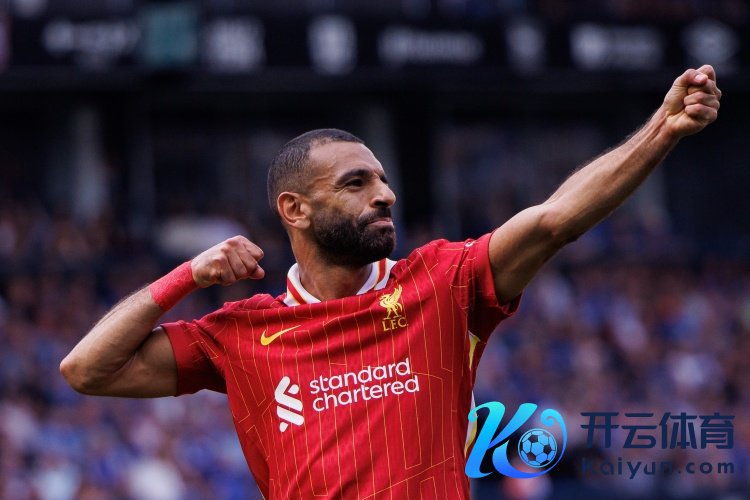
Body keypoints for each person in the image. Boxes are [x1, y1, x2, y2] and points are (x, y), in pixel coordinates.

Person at [60, 65, 721, 498]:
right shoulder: (241, 333)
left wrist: (662, 130)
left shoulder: (443, 283)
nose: (385, 195)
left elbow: (553, 222)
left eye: (382, 179)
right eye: (357, 183)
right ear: (295, 209)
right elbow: (87, 369)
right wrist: (186, 276)